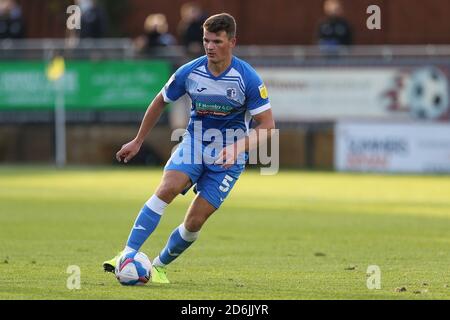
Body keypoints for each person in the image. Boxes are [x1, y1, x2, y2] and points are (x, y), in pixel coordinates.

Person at [102, 13, 275, 284]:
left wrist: (238, 147)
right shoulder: (190, 71)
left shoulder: (248, 79)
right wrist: (137, 140)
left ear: (232, 42)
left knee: (194, 221)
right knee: (167, 188)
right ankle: (128, 253)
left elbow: (267, 124)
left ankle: (157, 267)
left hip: (229, 158)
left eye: (216, 41)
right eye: (206, 40)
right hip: (194, 143)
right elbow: (160, 100)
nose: (209, 46)